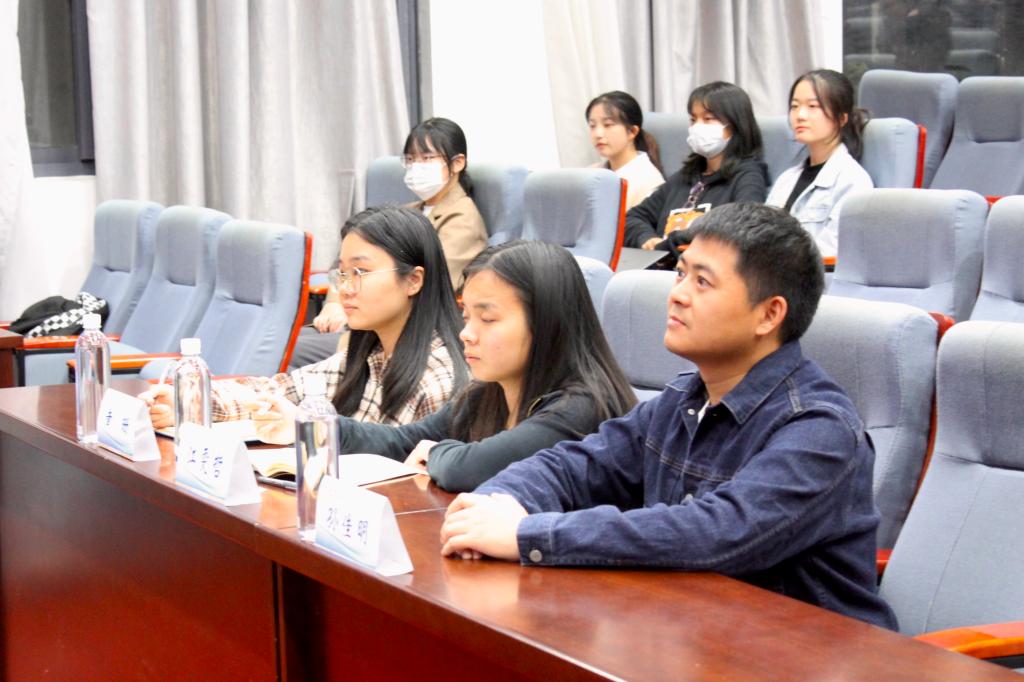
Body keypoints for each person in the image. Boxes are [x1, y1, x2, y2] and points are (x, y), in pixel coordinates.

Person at [439, 203, 899, 630]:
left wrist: (527, 534)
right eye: (680, 274)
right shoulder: (683, 398)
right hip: (696, 636)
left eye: (702, 282)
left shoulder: (819, 428)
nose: (676, 295)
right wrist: (497, 503)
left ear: (769, 315)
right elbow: (575, 464)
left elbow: (715, 533)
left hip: (812, 655)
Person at [323, 240, 637, 492]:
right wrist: (321, 427)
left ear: (546, 324)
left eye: (487, 319)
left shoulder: (583, 407)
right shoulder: (486, 392)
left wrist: (435, 452)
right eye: (467, 317)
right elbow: (403, 442)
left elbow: (473, 468)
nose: (466, 334)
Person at [142, 206, 467, 437]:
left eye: (361, 272)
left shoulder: (439, 381)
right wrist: (190, 402)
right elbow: (278, 391)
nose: (345, 288)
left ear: (413, 280)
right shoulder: (369, 356)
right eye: (342, 273)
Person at [291, 117, 487, 368]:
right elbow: (347, 260)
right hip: (359, 316)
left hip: (397, 330)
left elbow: (428, 287)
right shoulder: (409, 211)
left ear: (457, 163)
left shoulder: (463, 219)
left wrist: (351, 311)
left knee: (290, 351)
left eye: (427, 158)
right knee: (289, 340)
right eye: (411, 159)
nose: (417, 166)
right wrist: (333, 303)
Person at [624, 82, 768, 252]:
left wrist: (668, 245)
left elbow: (741, 229)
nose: (697, 127)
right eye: (693, 120)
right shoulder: (685, 176)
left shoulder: (748, 176)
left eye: (708, 119)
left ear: (736, 124)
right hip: (661, 263)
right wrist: (647, 238)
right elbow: (633, 217)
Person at [766, 69, 873, 259]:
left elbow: (830, 253)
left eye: (813, 106)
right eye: (795, 106)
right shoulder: (786, 178)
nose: (800, 115)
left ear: (841, 118)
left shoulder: (853, 182)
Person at [586, 90, 665, 210]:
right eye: (592, 126)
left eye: (608, 125)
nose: (598, 134)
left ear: (632, 131)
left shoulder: (649, 182)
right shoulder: (590, 174)